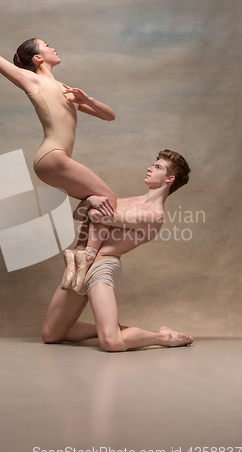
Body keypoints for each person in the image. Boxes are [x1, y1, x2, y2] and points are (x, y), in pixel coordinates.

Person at [0, 16, 117, 273]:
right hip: (54, 156)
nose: (52, 48)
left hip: (51, 161)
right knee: (110, 198)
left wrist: (87, 99)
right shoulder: (33, 81)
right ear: (38, 58)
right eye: (46, 45)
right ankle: (89, 252)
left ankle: (79, 253)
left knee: (98, 201)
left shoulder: (65, 89)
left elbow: (109, 115)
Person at [42, 150, 194, 351]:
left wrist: (96, 203)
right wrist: (90, 201)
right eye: (153, 164)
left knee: (112, 343)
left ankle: (164, 337)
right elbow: (79, 215)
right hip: (80, 264)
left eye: (158, 167)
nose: (150, 168)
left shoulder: (154, 216)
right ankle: (109, 328)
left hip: (101, 266)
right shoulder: (124, 200)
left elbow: (98, 217)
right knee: (51, 335)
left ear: (169, 179)